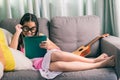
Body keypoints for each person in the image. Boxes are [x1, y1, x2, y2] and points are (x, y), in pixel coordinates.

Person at [10, 13, 115, 79]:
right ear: (22, 27)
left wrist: (49, 46)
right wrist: (18, 32)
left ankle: (94, 60)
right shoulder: (18, 39)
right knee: (59, 66)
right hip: (37, 64)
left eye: (32, 29)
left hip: (49, 56)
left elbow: (57, 49)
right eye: (26, 29)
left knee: (56, 55)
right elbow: (12, 52)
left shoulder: (40, 36)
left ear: (36, 28)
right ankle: (98, 64)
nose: (29, 32)